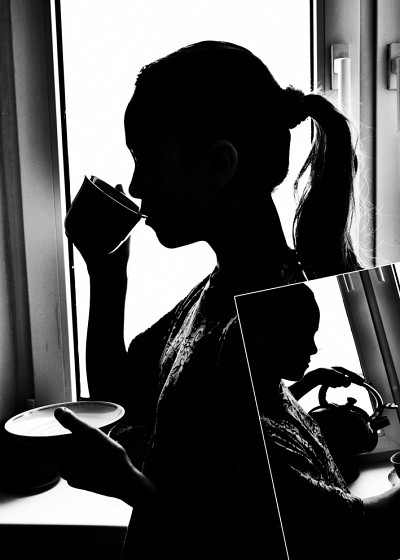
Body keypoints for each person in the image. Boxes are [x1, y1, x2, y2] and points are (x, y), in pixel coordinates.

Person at [54, 40, 362, 558]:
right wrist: (107, 275)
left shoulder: (260, 317)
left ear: (220, 164)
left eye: (145, 158)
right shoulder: (222, 292)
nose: (135, 185)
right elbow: (122, 400)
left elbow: (261, 545)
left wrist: (129, 484)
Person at [235, 282, 400, 560]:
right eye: (305, 336)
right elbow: (344, 519)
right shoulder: (265, 442)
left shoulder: (265, 389)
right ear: (267, 344)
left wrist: (314, 378)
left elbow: (277, 404)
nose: (313, 348)